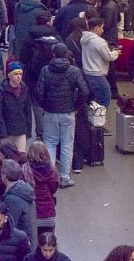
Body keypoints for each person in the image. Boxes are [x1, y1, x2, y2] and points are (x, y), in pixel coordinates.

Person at [34, 43, 87, 188]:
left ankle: (50, 177)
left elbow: (39, 92)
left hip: (50, 112)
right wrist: (77, 106)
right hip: (68, 113)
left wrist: (45, 106)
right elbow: (84, 91)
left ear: (54, 55)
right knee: (67, 145)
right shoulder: (74, 71)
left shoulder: (46, 70)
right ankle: (65, 177)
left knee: (50, 143)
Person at [22, 142, 59, 237]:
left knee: (34, 244)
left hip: (33, 213)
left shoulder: (25, 169)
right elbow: (53, 188)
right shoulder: (52, 170)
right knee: (48, 243)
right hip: (48, 213)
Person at [0, 62, 32, 152]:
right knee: (5, 160)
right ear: (9, 76)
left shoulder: (25, 89)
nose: (19, 76)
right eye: (16, 74)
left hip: (21, 130)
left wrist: (28, 131)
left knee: (21, 158)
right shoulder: (0, 91)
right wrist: (2, 133)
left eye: (20, 74)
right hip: (7, 131)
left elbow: (28, 111)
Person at [80, 18, 118, 108]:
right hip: (97, 73)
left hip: (87, 71)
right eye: (101, 28)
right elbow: (108, 57)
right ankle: (98, 119)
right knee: (104, 98)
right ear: (97, 28)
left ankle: (91, 118)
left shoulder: (84, 39)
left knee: (93, 99)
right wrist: (116, 53)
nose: (102, 30)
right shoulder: (99, 41)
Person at [0, 159, 37, 248]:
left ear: (4, 176)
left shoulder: (12, 198)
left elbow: (11, 225)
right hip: (29, 241)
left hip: (22, 245)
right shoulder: (23, 190)